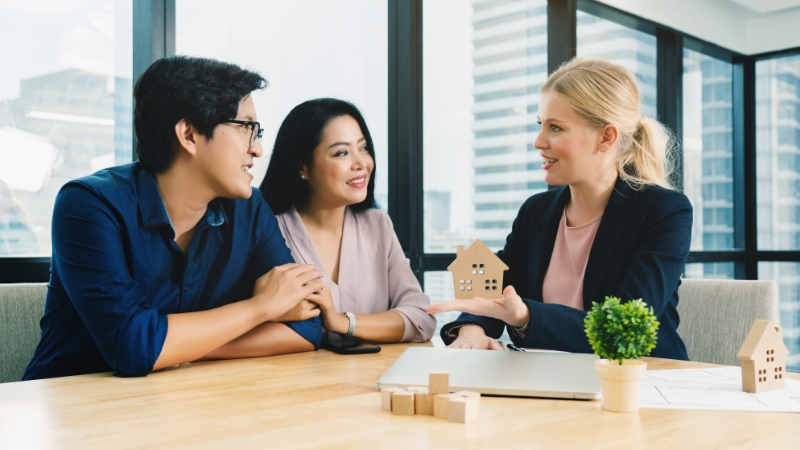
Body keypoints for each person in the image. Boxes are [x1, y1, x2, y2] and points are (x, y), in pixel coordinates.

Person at [23, 56, 325, 380]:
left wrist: (177, 348)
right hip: (72, 409)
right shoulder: (89, 206)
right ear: (189, 134)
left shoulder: (249, 208)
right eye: (247, 129)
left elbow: (307, 327)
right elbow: (132, 346)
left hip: (178, 403)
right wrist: (261, 308)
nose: (258, 149)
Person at [427, 58, 692, 360]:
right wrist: (472, 327)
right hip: (548, 379)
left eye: (555, 128)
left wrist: (526, 315)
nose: (538, 141)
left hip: (640, 382)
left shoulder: (664, 211)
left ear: (606, 136)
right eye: (540, 125)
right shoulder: (536, 211)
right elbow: (499, 287)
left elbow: (623, 327)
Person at [260, 98, 435, 344]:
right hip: (295, 380)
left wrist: (343, 322)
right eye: (342, 152)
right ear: (303, 166)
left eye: (363, 148)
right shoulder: (267, 232)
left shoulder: (378, 225)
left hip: (375, 378)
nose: (361, 163)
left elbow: (421, 318)